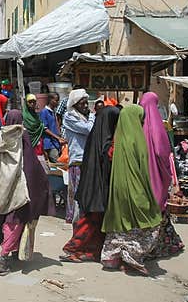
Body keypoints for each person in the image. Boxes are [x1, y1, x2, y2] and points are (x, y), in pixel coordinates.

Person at [0, 109, 54, 275]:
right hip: (19, 188)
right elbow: (31, 164)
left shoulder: (0, 138)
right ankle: (4, 257)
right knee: (15, 222)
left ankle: (13, 253)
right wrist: (41, 183)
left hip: (2, 188)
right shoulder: (22, 137)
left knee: (9, 222)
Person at [100, 103, 163, 275]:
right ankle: (133, 257)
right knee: (149, 219)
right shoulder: (137, 138)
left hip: (118, 189)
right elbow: (143, 169)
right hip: (135, 187)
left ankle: (115, 257)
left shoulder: (117, 139)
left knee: (121, 220)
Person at [62, 105, 120, 262]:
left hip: (94, 188)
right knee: (90, 221)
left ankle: (91, 251)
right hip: (96, 189)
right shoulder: (105, 142)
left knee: (97, 222)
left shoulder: (97, 136)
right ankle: (72, 249)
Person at [139, 92, 184, 258]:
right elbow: (162, 151)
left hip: (142, 174)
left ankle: (144, 245)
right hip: (157, 174)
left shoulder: (136, 124)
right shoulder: (158, 125)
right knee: (159, 208)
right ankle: (160, 245)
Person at [61, 89, 94, 224]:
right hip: (77, 160)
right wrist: (92, 116)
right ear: (75, 105)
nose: (85, 106)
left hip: (87, 159)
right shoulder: (69, 117)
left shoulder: (85, 117)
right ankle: (77, 221)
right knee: (77, 194)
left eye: (86, 103)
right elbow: (88, 129)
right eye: (82, 104)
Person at [39, 93, 63, 162]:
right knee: (57, 162)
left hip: (56, 142)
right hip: (49, 143)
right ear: (50, 100)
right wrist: (57, 137)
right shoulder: (44, 112)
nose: (57, 102)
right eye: (56, 100)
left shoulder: (53, 112)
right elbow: (45, 128)